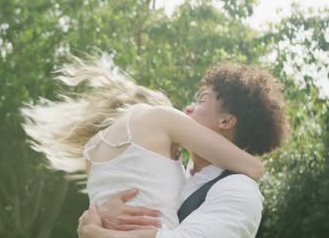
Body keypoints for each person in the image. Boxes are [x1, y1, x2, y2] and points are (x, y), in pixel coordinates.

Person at [76, 62, 289, 238]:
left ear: (225, 120)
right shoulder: (170, 173)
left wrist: (99, 234)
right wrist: (100, 213)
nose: (187, 109)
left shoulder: (240, 189)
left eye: (201, 100)